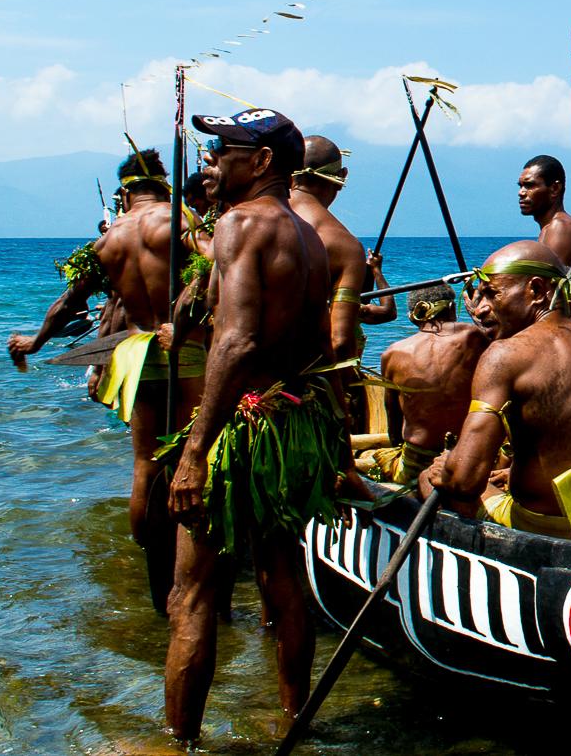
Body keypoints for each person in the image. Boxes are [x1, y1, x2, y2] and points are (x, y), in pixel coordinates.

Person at [163, 107, 347, 742]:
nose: (213, 159)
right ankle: (296, 723)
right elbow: (318, 345)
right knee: (283, 577)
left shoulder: (244, 224)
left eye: (226, 149)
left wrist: (194, 451)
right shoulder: (307, 237)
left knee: (189, 596)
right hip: (292, 420)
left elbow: (237, 342)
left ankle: (179, 742)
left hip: (242, 428)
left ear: (263, 161)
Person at [7, 148, 201, 613]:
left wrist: (34, 342)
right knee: (198, 459)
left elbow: (69, 301)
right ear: (163, 184)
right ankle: (195, 572)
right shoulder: (180, 221)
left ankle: (151, 570)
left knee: (146, 467)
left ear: (124, 192)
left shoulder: (108, 240)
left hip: (134, 356)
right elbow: (215, 269)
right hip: (184, 349)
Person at [426, 241, 571, 538]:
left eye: (492, 294)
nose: (481, 309)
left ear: (536, 290)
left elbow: (464, 481)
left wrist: (446, 466)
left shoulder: (504, 355)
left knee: (429, 478)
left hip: (547, 528)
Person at [364, 284, 490, 486]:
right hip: (466, 456)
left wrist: (397, 445)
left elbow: (393, 419)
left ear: (413, 316)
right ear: (451, 308)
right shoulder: (472, 335)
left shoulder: (392, 353)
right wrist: (477, 315)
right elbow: (505, 343)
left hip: (416, 460)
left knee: (383, 460)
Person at [291, 135, 396, 362]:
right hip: (303, 380)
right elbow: (339, 342)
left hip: (240, 380)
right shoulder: (342, 245)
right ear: (342, 177)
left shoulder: (243, 219)